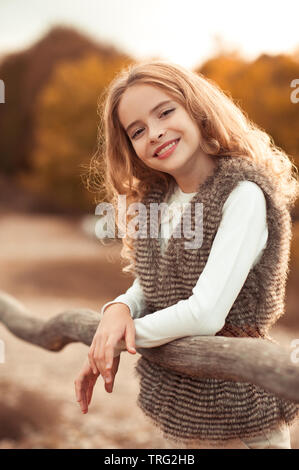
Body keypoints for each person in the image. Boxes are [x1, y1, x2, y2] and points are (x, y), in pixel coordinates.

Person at [74, 59, 299, 449]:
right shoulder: (159, 200)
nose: (156, 133)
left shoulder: (242, 194)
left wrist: (115, 340)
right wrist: (117, 309)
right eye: (138, 130)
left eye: (165, 112)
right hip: (184, 401)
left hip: (240, 409)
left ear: (196, 109)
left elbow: (206, 313)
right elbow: (151, 283)